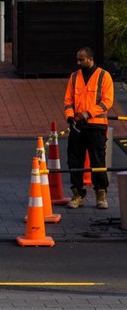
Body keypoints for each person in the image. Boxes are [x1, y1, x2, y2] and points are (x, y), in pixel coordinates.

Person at [64, 46, 114, 210]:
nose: (78, 62)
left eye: (81, 59)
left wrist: (88, 113)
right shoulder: (74, 77)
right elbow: (68, 101)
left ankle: (101, 193)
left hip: (96, 126)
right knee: (74, 161)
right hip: (77, 126)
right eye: (77, 59)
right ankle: (77, 194)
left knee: (97, 160)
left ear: (90, 59)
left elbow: (107, 101)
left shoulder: (104, 76)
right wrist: (70, 116)